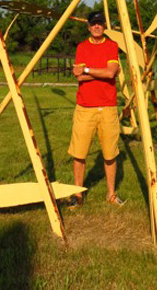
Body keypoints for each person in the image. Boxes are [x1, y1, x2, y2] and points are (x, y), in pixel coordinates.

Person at [67, 11, 125, 208]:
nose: (97, 26)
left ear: (104, 26)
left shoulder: (112, 46)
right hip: (84, 108)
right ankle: (78, 195)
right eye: (94, 24)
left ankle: (110, 194)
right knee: (79, 154)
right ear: (88, 26)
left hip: (108, 108)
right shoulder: (82, 47)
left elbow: (111, 73)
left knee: (110, 154)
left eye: (100, 23)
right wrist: (97, 73)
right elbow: (80, 77)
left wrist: (87, 69)